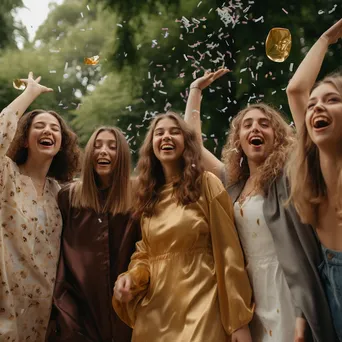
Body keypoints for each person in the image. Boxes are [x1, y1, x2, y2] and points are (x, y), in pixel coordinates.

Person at [184, 70, 336, 341]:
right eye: (248, 125)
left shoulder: (290, 176)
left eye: (264, 124)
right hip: (250, 292)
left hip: (287, 286)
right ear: (239, 141)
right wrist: (195, 91)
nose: (255, 128)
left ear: (277, 136)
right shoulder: (233, 184)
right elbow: (193, 147)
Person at [113, 112, 254, 342]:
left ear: (187, 142)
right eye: (159, 133)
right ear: (151, 147)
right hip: (156, 314)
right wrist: (131, 278)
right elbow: (147, 254)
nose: (166, 137)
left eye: (174, 131)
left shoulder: (207, 184)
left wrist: (239, 321)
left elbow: (229, 252)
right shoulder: (149, 196)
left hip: (203, 305)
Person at [0, 72, 80, 341]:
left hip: (42, 314)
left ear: (60, 145)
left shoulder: (61, 194)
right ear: (24, 138)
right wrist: (29, 94)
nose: (48, 131)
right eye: (39, 126)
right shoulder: (6, 176)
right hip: (4, 304)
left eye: (55, 129)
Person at [52, 127, 141, 342]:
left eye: (112, 147)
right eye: (98, 145)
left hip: (127, 309)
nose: (103, 151)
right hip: (78, 313)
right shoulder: (68, 198)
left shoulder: (139, 197)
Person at [286, 18, 342, 341]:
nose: (317, 106)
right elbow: (296, 90)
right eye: (313, 105)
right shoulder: (311, 163)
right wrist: (326, 38)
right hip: (330, 281)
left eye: (332, 99)